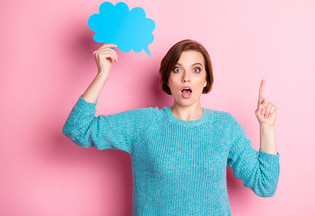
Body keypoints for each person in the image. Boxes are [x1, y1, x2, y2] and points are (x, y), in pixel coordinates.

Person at [62, 39, 280, 215]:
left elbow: (265, 185)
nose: (186, 78)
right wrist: (102, 75)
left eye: (196, 70)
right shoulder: (144, 124)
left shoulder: (224, 126)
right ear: (167, 79)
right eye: (177, 69)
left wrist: (267, 126)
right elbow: (77, 129)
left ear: (205, 80)